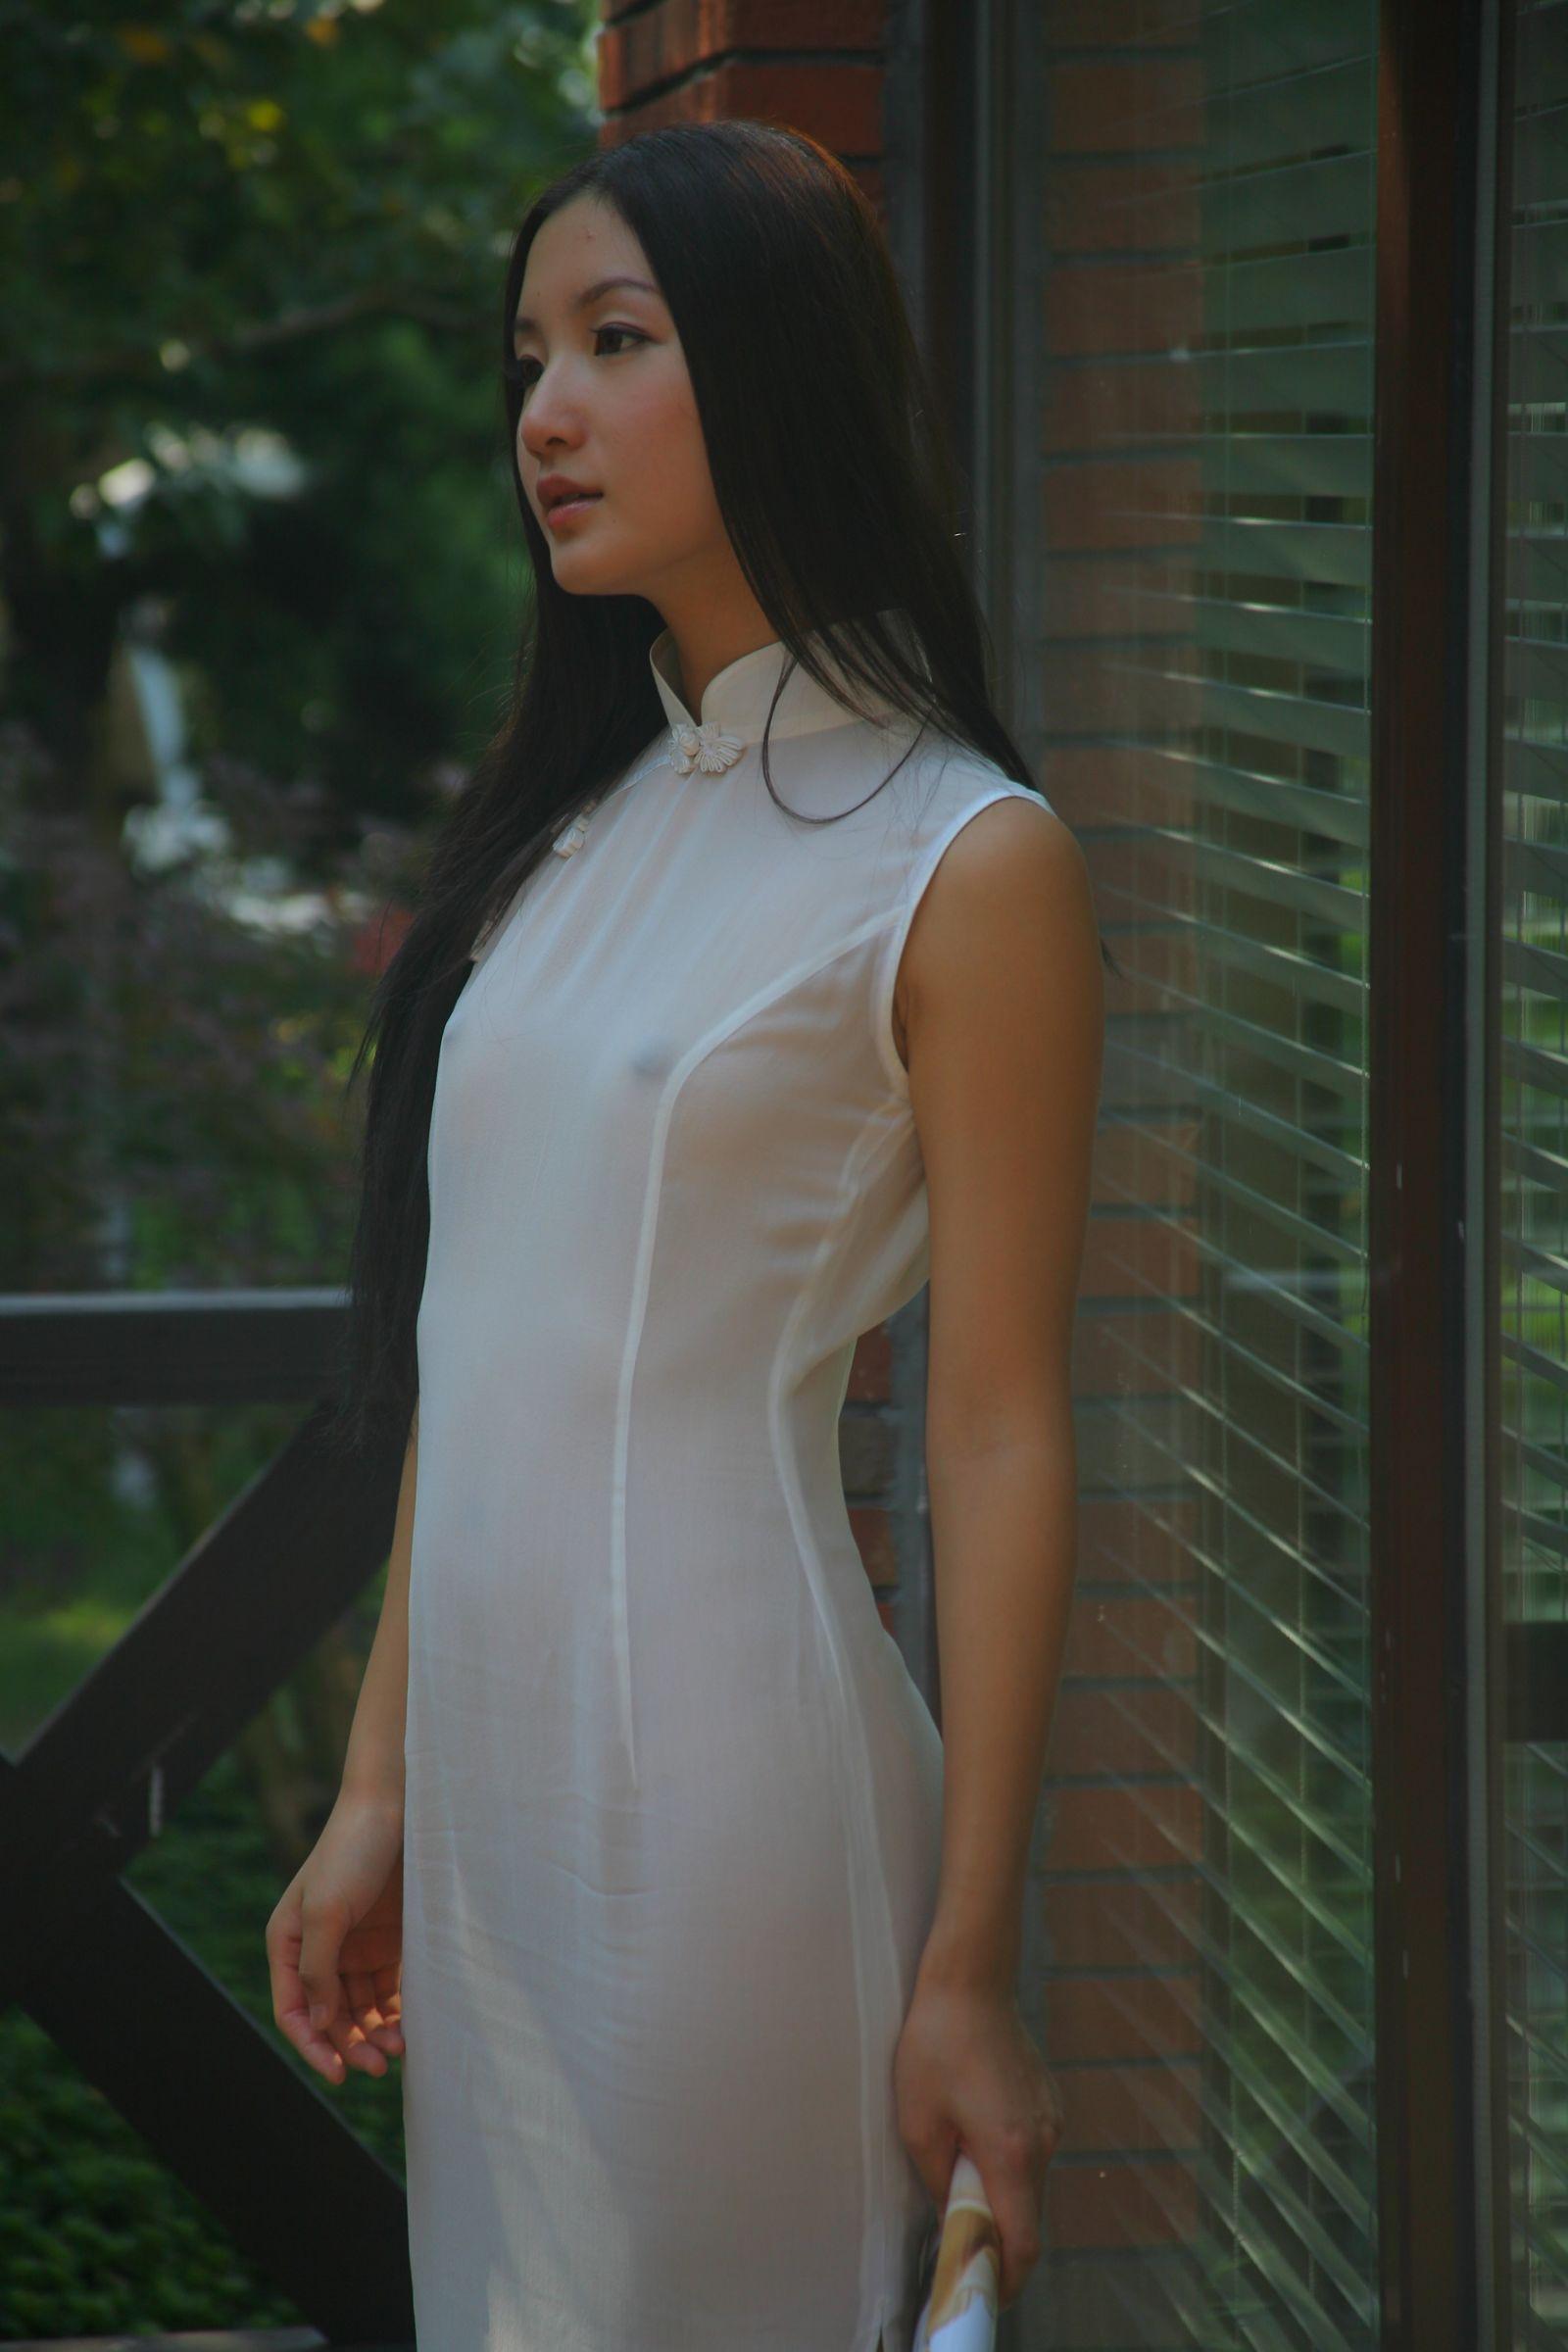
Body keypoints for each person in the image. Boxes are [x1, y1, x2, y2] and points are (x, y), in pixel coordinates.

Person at [265, 118, 1104, 2352]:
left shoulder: (964, 858)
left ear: (779, 363)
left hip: (726, 1807)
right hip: (494, 1824)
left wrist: (971, 1963)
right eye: (526, 356)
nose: (543, 411)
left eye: (614, 342)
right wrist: (379, 1787)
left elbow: (999, 1432)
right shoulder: (577, 826)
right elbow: (480, 1347)